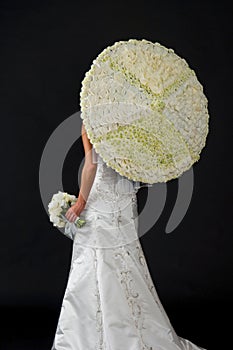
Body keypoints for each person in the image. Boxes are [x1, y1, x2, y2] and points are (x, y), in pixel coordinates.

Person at [51, 122, 207, 349]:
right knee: (125, 262)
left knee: (93, 262)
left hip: (100, 199)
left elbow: (91, 165)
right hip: (124, 203)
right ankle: (128, 328)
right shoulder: (131, 124)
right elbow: (141, 174)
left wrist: (81, 203)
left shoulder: (92, 119)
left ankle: (88, 336)